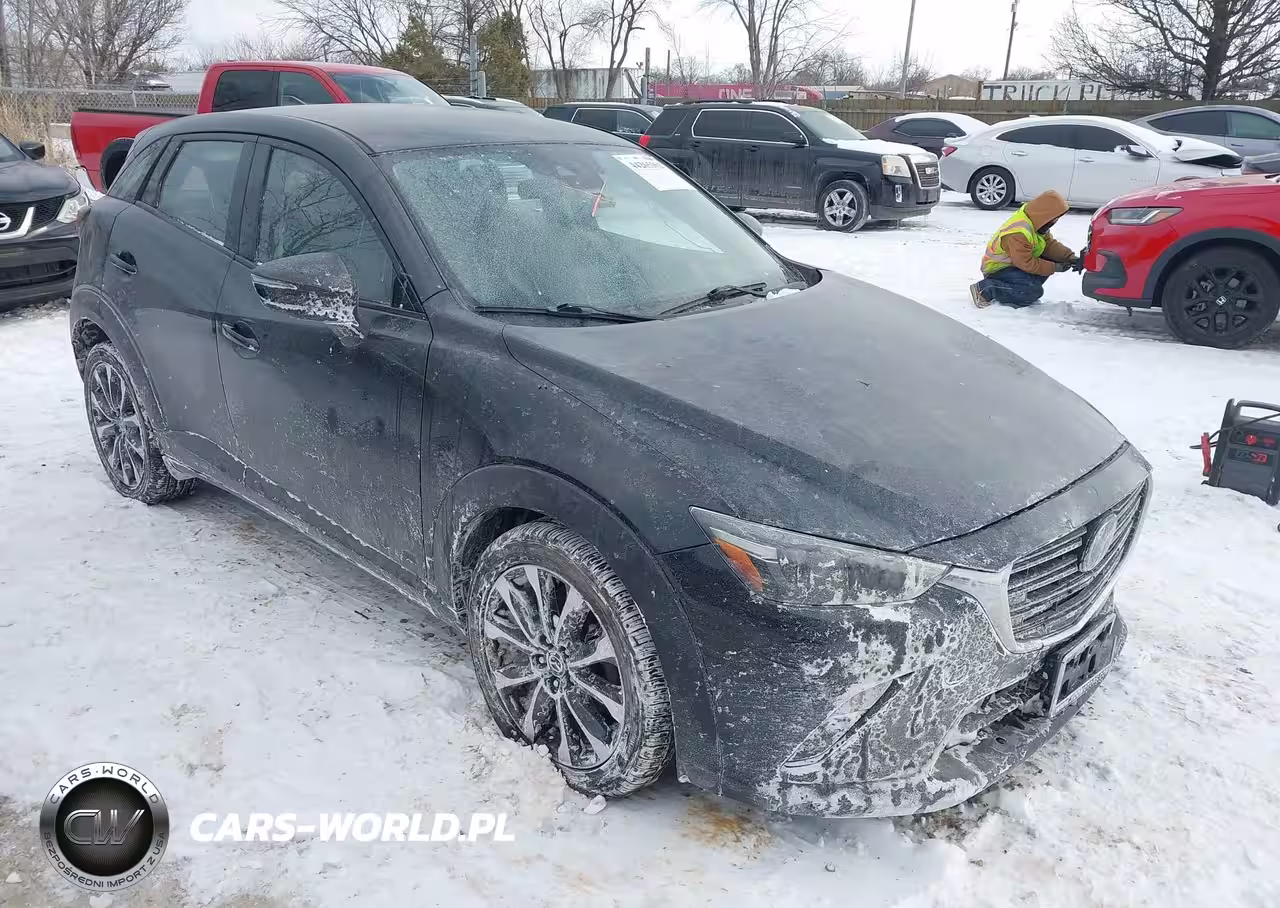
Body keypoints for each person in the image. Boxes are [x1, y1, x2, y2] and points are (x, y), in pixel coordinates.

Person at [970, 190, 1080, 309]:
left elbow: (1049, 245)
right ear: (1046, 214)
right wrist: (1054, 267)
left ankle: (1021, 287)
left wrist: (1070, 257)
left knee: (1049, 262)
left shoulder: (1036, 221)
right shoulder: (1019, 233)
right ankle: (986, 289)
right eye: (1054, 218)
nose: (1054, 222)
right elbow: (1026, 263)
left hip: (1014, 266)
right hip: (999, 269)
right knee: (1032, 292)